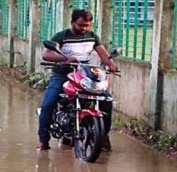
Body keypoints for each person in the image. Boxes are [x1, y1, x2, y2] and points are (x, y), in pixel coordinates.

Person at [37, 9, 119, 151]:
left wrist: (110, 64)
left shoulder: (93, 36)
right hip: (62, 74)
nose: (84, 28)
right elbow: (46, 54)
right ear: (73, 22)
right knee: (48, 104)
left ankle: (102, 135)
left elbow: (103, 54)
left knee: (107, 101)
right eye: (81, 25)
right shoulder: (61, 36)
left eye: (87, 25)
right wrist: (65, 59)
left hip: (84, 75)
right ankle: (43, 140)